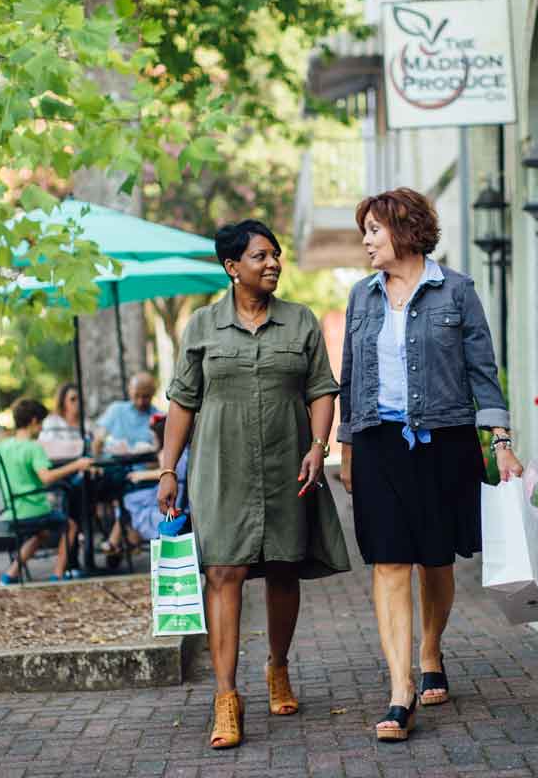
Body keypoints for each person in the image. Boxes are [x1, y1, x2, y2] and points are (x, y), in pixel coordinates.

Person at [337, 188, 524, 742]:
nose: (367, 240)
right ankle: (400, 689)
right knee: (389, 561)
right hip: (378, 442)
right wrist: (347, 448)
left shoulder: (457, 292)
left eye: (374, 229)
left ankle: (430, 648)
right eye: (364, 230)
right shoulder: (361, 298)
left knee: (435, 561)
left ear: (404, 229)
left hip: (443, 440)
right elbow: (349, 378)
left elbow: (483, 373)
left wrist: (501, 441)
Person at [157, 219, 351, 750]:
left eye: (276, 255)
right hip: (221, 466)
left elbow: (321, 390)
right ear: (232, 267)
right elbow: (182, 402)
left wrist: (318, 446)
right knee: (223, 571)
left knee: (284, 566)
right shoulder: (200, 327)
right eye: (261, 256)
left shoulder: (301, 322)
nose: (273, 264)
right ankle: (225, 696)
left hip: (287, 462)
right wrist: (168, 469)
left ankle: (278, 668)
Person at [0, 398, 96, 585]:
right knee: (70, 525)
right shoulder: (34, 448)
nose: (41, 429)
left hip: (12, 511)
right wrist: (77, 465)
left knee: (42, 534)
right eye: (41, 424)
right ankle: (57, 574)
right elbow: (46, 478)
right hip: (33, 509)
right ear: (33, 421)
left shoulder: (3, 447)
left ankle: (10, 574)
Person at [100, 412, 190, 561]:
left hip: (171, 499)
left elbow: (165, 472)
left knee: (127, 502)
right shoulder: (184, 450)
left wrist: (142, 475)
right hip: (182, 496)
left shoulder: (166, 453)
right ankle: (119, 541)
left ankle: (122, 541)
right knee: (129, 502)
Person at [92, 373, 159, 456]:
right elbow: (99, 435)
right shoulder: (116, 410)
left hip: (145, 466)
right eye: (136, 395)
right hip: (115, 466)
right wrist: (99, 440)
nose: (140, 402)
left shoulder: (158, 417)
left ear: (153, 393)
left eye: (146, 397)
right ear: (130, 390)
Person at [38, 382, 86, 460]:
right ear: (63, 402)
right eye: (73, 399)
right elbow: (48, 449)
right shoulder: (51, 423)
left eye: (80, 398)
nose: (78, 402)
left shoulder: (88, 424)